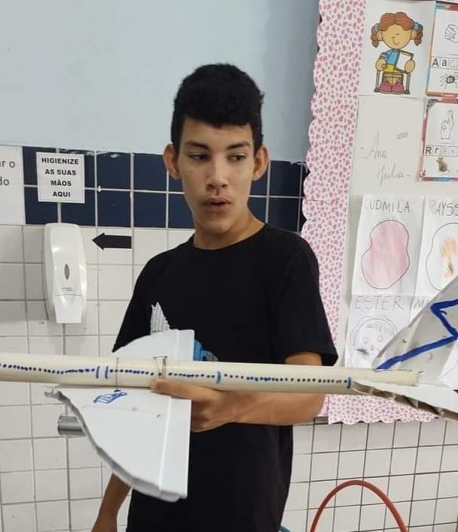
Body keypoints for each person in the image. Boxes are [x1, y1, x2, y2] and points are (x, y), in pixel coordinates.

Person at [91, 64, 337, 532]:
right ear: (172, 161)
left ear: (259, 163)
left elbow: (308, 395)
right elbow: (136, 407)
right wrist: (108, 512)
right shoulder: (159, 275)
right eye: (199, 156)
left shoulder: (284, 259)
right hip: (152, 517)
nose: (217, 177)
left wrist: (230, 406)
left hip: (243, 515)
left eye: (235, 157)